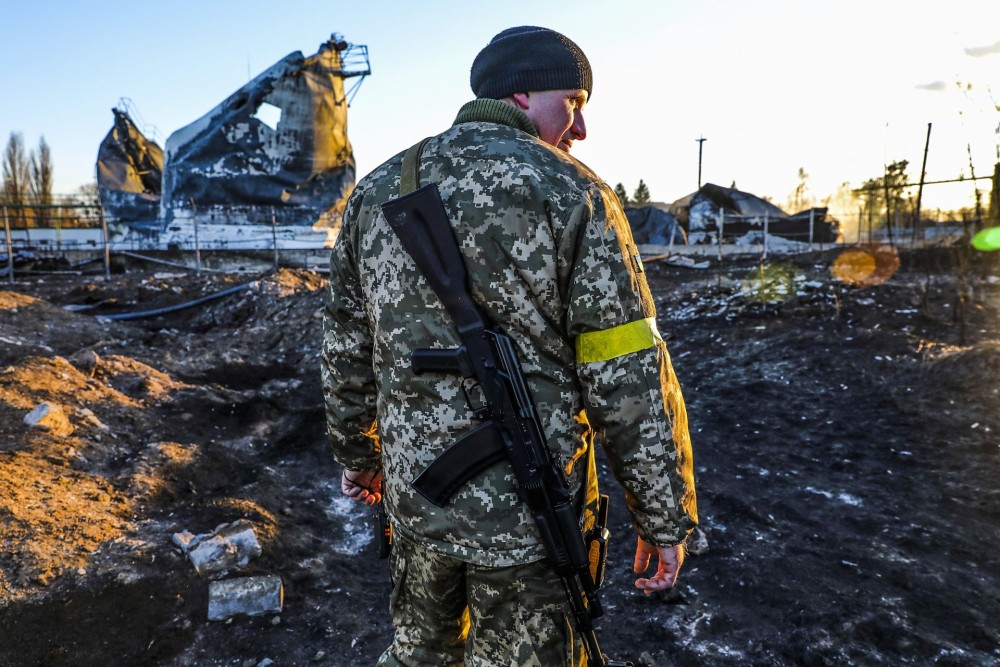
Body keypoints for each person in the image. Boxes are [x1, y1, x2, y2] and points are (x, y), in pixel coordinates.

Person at [322, 25, 698, 666]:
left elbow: (345, 344)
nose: (580, 129)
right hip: (529, 517)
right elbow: (627, 372)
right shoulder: (572, 191)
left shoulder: (377, 192)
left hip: (417, 501)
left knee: (418, 654)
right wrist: (661, 512)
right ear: (521, 94)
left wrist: (359, 452)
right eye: (574, 103)